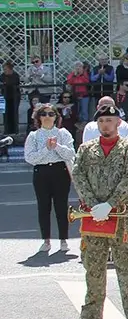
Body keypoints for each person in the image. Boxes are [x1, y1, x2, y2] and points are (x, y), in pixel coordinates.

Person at [68, 104, 128, 319]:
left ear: (118, 123)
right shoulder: (86, 149)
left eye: (109, 120)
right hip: (93, 216)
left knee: (127, 267)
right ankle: (91, 315)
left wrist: (110, 203)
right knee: (93, 266)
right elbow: (78, 174)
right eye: (101, 121)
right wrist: (93, 204)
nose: (105, 124)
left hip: (121, 217)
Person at [25, 102, 76, 253]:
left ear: (56, 117)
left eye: (51, 114)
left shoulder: (63, 133)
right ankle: (46, 240)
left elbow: (70, 153)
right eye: (44, 114)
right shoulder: (34, 135)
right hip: (41, 172)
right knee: (43, 206)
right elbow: (30, 158)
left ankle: (63, 239)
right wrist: (46, 149)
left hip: (60, 171)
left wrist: (57, 147)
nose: (47, 117)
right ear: (38, 117)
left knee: (61, 206)